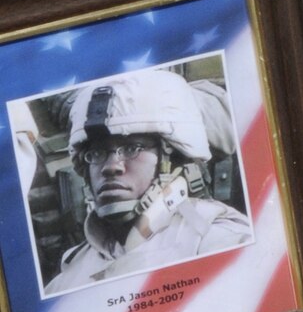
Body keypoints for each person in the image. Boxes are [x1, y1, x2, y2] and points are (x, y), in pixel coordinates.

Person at [45, 70, 252, 293]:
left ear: (171, 158)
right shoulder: (68, 274)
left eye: (132, 148)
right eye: (96, 153)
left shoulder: (219, 242)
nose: (111, 166)